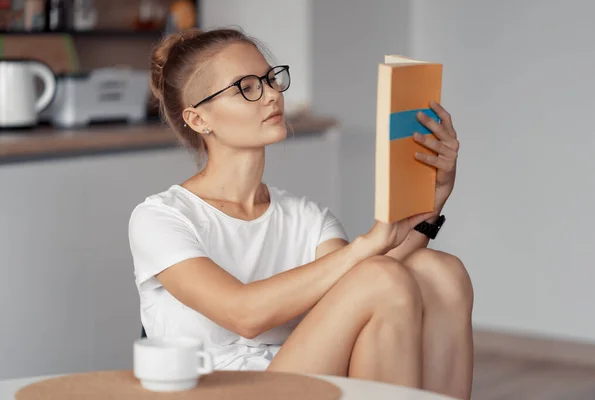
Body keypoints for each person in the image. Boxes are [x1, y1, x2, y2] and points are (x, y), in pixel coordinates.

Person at [128, 27, 474, 400]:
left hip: (302, 384)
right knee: (378, 275)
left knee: (441, 272)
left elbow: (375, 285)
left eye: (270, 79)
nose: (273, 95)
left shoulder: (305, 217)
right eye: (247, 87)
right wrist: (364, 245)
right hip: (218, 392)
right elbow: (244, 315)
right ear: (198, 120)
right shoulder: (161, 218)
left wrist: (432, 200)